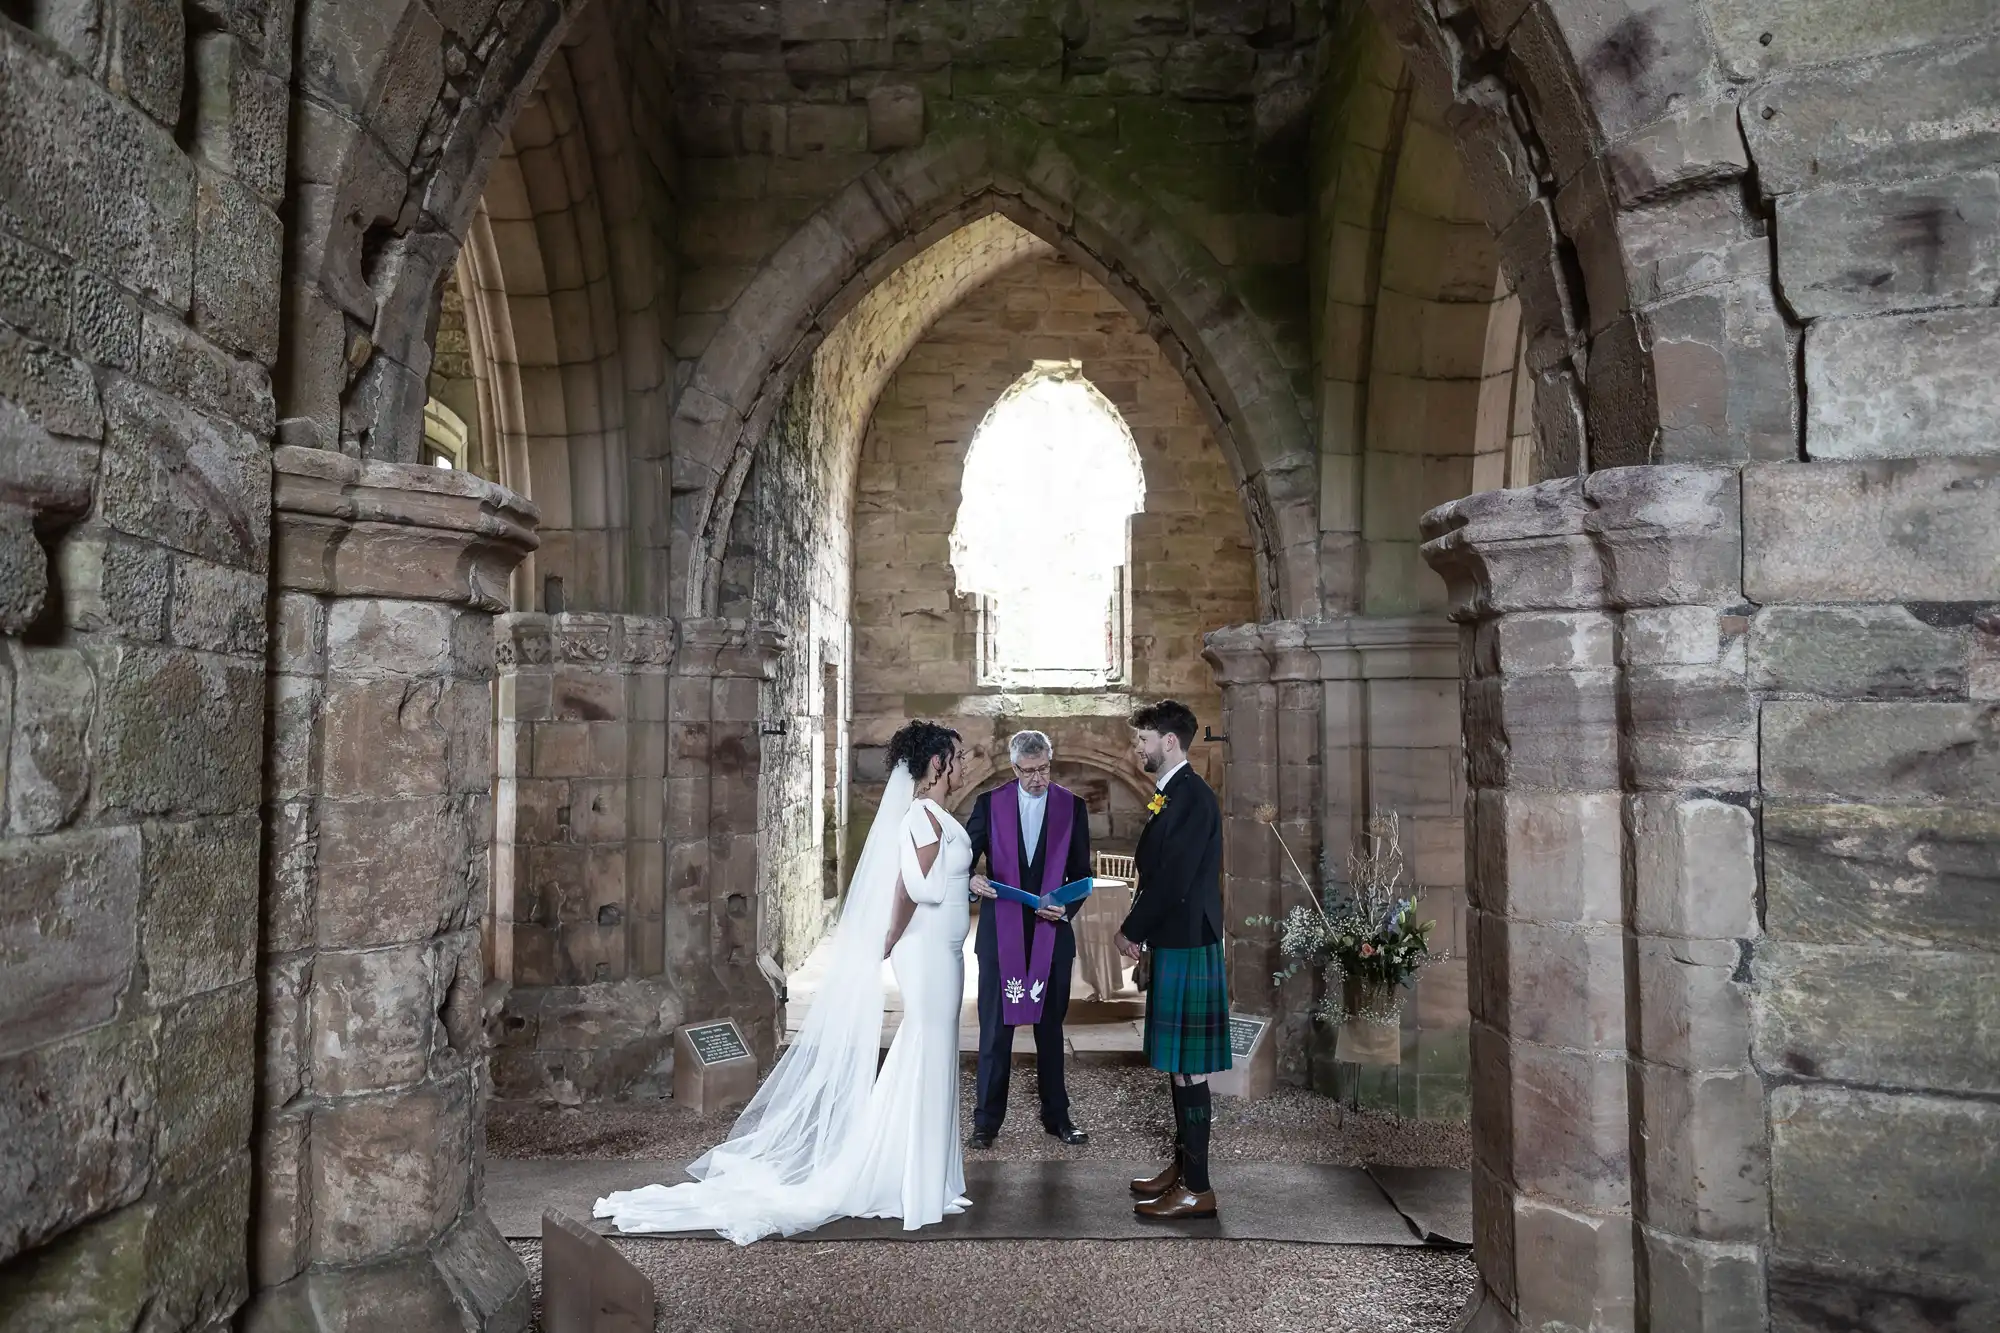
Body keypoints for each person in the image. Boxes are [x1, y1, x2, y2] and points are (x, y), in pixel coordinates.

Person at [594, 721, 973, 1243]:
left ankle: (928, 1176)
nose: (964, 764)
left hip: (944, 951)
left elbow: (934, 880)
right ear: (936, 764)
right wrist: (891, 934)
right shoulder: (921, 818)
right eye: (957, 757)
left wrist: (968, 881)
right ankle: (915, 1182)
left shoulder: (936, 817)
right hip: (928, 953)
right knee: (928, 1047)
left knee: (930, 1051)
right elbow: (915, 888)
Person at [1116, 699, 1229, 1220]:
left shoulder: (1191, 797)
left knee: (1190, 1070)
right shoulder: (1174, 793)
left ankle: (1198, 1188)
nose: (1136, 748)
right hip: (1178, 938)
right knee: (1179, 1067)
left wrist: (1133, 930)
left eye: (1142, 740)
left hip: (1188, 939)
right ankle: (1183, 1170)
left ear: (1168, 741)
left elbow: (1177, 881)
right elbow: (1160, 874)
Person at [965, 730, 1092, 1148]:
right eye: (1029, 771)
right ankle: (986, 1121)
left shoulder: (1073, 807)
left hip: (1051, 934)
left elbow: (1080, 877)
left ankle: (1057, 1117)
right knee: (995, 1033)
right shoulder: (989, 804)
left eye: (1044, 770)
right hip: (999, 934)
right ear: (1014, 767)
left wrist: (1066, 907)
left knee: (1050, 1032)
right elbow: (962, 866)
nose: (1038, 779)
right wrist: (972, 880)